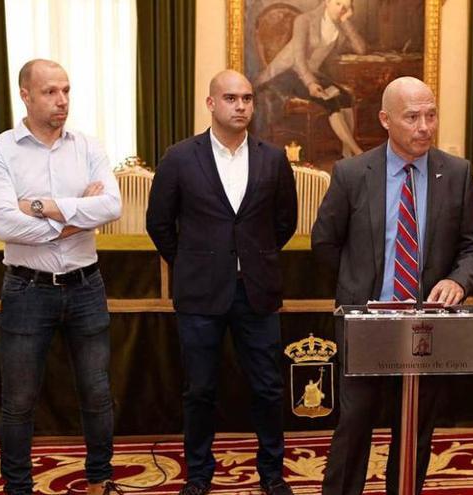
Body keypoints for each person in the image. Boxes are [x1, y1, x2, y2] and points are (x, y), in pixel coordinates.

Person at [312, 76, 473, 495]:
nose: (424, 126)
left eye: (431, 115)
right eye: (412, 117)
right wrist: (356, 289)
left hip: (428, 327)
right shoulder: (353, 173)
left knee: (415, 428)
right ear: (385, 120)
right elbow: (324, 243)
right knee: (354, 425)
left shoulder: (457, 173)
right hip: (366, 323)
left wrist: (456, 281)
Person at [146, 70, 298, 495]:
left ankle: (272, 474)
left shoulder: (273, 157)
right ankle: (198, 474)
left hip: (257, 291)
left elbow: (285, 222)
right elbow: (158, 222)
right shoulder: (179, 157)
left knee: (268, 388)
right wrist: (192, 262)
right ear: (211, 104)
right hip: (199, 294)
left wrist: (252, 257)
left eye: (247, 98)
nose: (241, 106)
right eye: (231, 98)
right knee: (200, 390)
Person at [0, 59, 122, 495]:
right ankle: (17, 488)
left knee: (97, 394)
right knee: (19, 401)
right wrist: (80, 210)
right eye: (50, 92)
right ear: (25, 94)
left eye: (66, 90)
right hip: (26, 289)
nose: (62, 101)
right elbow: (5, 225)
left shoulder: (88, 146)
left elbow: (112, 207)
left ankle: (99, 479)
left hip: (86, 285)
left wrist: (39, 205)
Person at [254, 0, 366, 157]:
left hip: (310, 72)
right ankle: (358, 152)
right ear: (327, 2)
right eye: (338, 3)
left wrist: (345, 21)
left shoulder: (340, 25)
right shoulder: (305, 20)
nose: (341, 9)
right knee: (330, 101)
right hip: (286, 73)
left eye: (345, 6)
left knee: (346, 98)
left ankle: (347, 153)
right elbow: (298, 59)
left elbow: (361, 49)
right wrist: (311, 83)